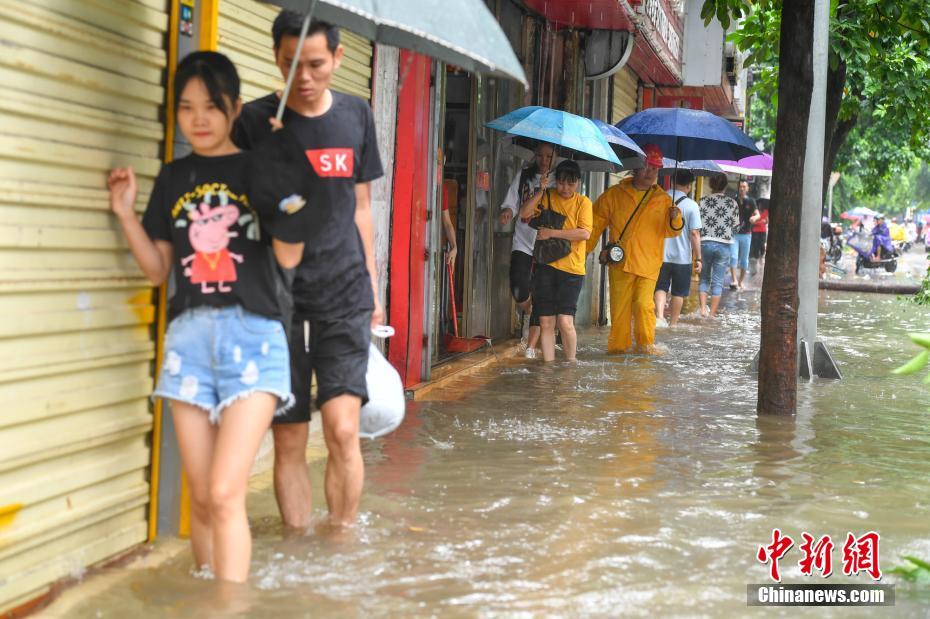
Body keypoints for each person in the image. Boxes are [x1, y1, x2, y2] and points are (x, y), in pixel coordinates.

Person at [107, 52, 303, 581]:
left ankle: (229, 607)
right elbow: (157, 269)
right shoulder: (173, 178)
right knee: (200, 497)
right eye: (186, 107)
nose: (197, 118)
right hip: (188, 342)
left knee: (223, 492)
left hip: (254, 338)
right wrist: (126, 214)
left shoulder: (260, 167)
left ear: (235, 108)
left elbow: (289, 258)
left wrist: (282, 192)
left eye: (211, 107)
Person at [232, 13, 384, 529]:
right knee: (289, 434)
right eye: (290, 63)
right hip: (277, 298)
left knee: (343, 429)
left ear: (338, 59)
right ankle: (298, 552)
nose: (303, 75)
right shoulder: (253, 122)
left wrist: (373, 282)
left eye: (316, 63)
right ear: (277, 57)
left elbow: (362, 207)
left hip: (344, 291)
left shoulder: (356, 115)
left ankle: (340, 547)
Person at [586, 144, 683, 354]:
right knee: (619, 310)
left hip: (648, 263)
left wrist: (676, 218)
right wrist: (581, 251)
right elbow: (594, 224)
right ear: (636, 167)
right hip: (620, 263)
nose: (651, 173)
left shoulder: (664, 200)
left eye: (655, 169)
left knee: (642, 304)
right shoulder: (614, 194)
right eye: (647, 167)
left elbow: (672, 232)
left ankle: (646, 346)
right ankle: (618, 350)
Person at [518, 160, 592, 361]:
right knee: (545, 321)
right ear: (554, 180)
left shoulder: (583, 203)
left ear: (577, 182)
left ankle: (571, 364)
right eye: (560, 182)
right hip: (545, 267)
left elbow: (584, 233)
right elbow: (524, 213)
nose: (565, 188)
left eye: (570, 183)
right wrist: (541, 191)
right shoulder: (547, 196)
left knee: (565, 321)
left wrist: (552, 233)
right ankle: (548, 368)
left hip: (572, 270)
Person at [497, 142, 557, 359]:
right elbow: (513, 202)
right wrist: (507, 212)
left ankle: (532, 343)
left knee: (541, 292)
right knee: (518, 287)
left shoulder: (561, 179)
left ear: (555, 157)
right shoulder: (524, 175)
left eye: (549, 156)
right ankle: (533, 314)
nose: (543, 160)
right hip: (522, 241)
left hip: (548, 244)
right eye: (540, 155)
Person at [654, 169, 702, 328]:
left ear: (672, 181)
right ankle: (673, 324)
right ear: (689, 185)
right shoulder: (692, 205)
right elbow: (694, 234)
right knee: (678, 292)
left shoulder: (660, 199)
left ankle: (659, 318)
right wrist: (698, 258)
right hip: (682, 257)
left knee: (660, 287)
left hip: (660, 253)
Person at [697, 173, 739, 318]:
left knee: (704, 278)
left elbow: (697, 225)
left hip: (705, 243)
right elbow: (736, 227)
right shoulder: (732, 203)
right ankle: (712, 314)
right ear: (725, 185)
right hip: (723, 245)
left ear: (710, 184)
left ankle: (702, 309)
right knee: (718, 281)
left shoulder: (702, 201)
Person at [729, 180, 759, 290]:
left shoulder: (751, 201)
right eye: (740, 186)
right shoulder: (733, 200)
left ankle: (741, 281)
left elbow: (757, 214)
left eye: (744, 186)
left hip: (746, 234)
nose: (742, 188)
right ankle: (734, 280)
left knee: (744, 260)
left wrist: (754, 218)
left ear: (747, 189)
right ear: (738, 188)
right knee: (733, 257)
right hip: (734, 234)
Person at [749, 197, 769, 274]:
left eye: (762, 205)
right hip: (755, 231)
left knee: (762, 244)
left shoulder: (766, 211)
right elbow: (752, 222)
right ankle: (756, 258)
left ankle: (761, 254)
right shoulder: (755, 212)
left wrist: (764, 221)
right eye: (759, 205)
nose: (761, 206)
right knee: (756, 245)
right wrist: (761, 222)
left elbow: (767, 221)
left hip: (763, 231)